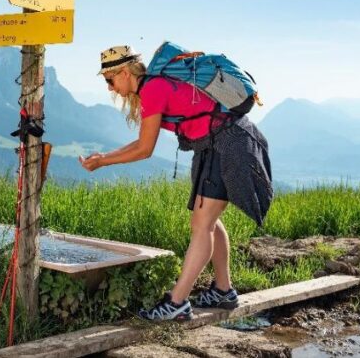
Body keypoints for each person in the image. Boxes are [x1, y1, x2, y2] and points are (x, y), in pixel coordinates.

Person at [79, 45, 273, 321]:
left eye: (110, 80)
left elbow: (145, 149)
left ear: (124, 72)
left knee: (202, 224)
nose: (110, 88)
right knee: (208, 221)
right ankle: (223, 290)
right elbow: (141, 141)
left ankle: (177, 302)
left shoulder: (153, 89)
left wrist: (103, 162)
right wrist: (104, 157)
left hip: (228, 143)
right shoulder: (152, 88)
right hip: (214, 144)